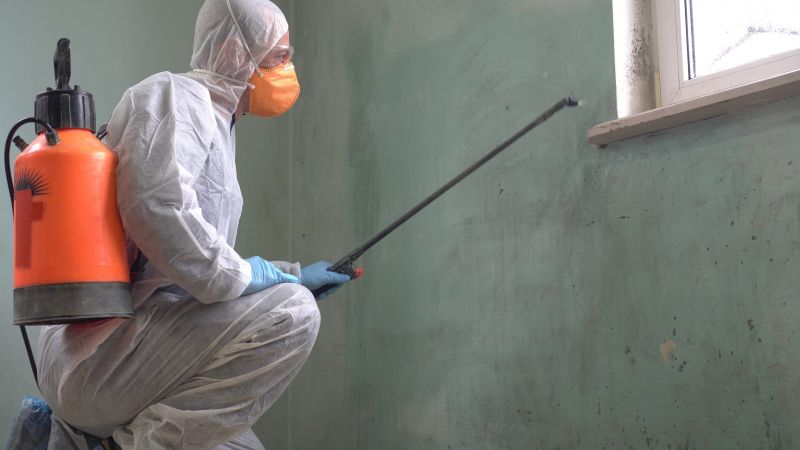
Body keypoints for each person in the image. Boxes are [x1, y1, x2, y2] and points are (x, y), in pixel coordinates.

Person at [35, 0, 350, 448]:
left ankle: (95, 440)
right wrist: (265, 281)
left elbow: (181, 261)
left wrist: (288, 274)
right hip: (101, 353)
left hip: (135, 348)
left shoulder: (215, 120)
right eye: (279, 56)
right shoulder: (174, 97)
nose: (288, 68)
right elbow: (157, 210)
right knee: (296, 313)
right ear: (234, 53)